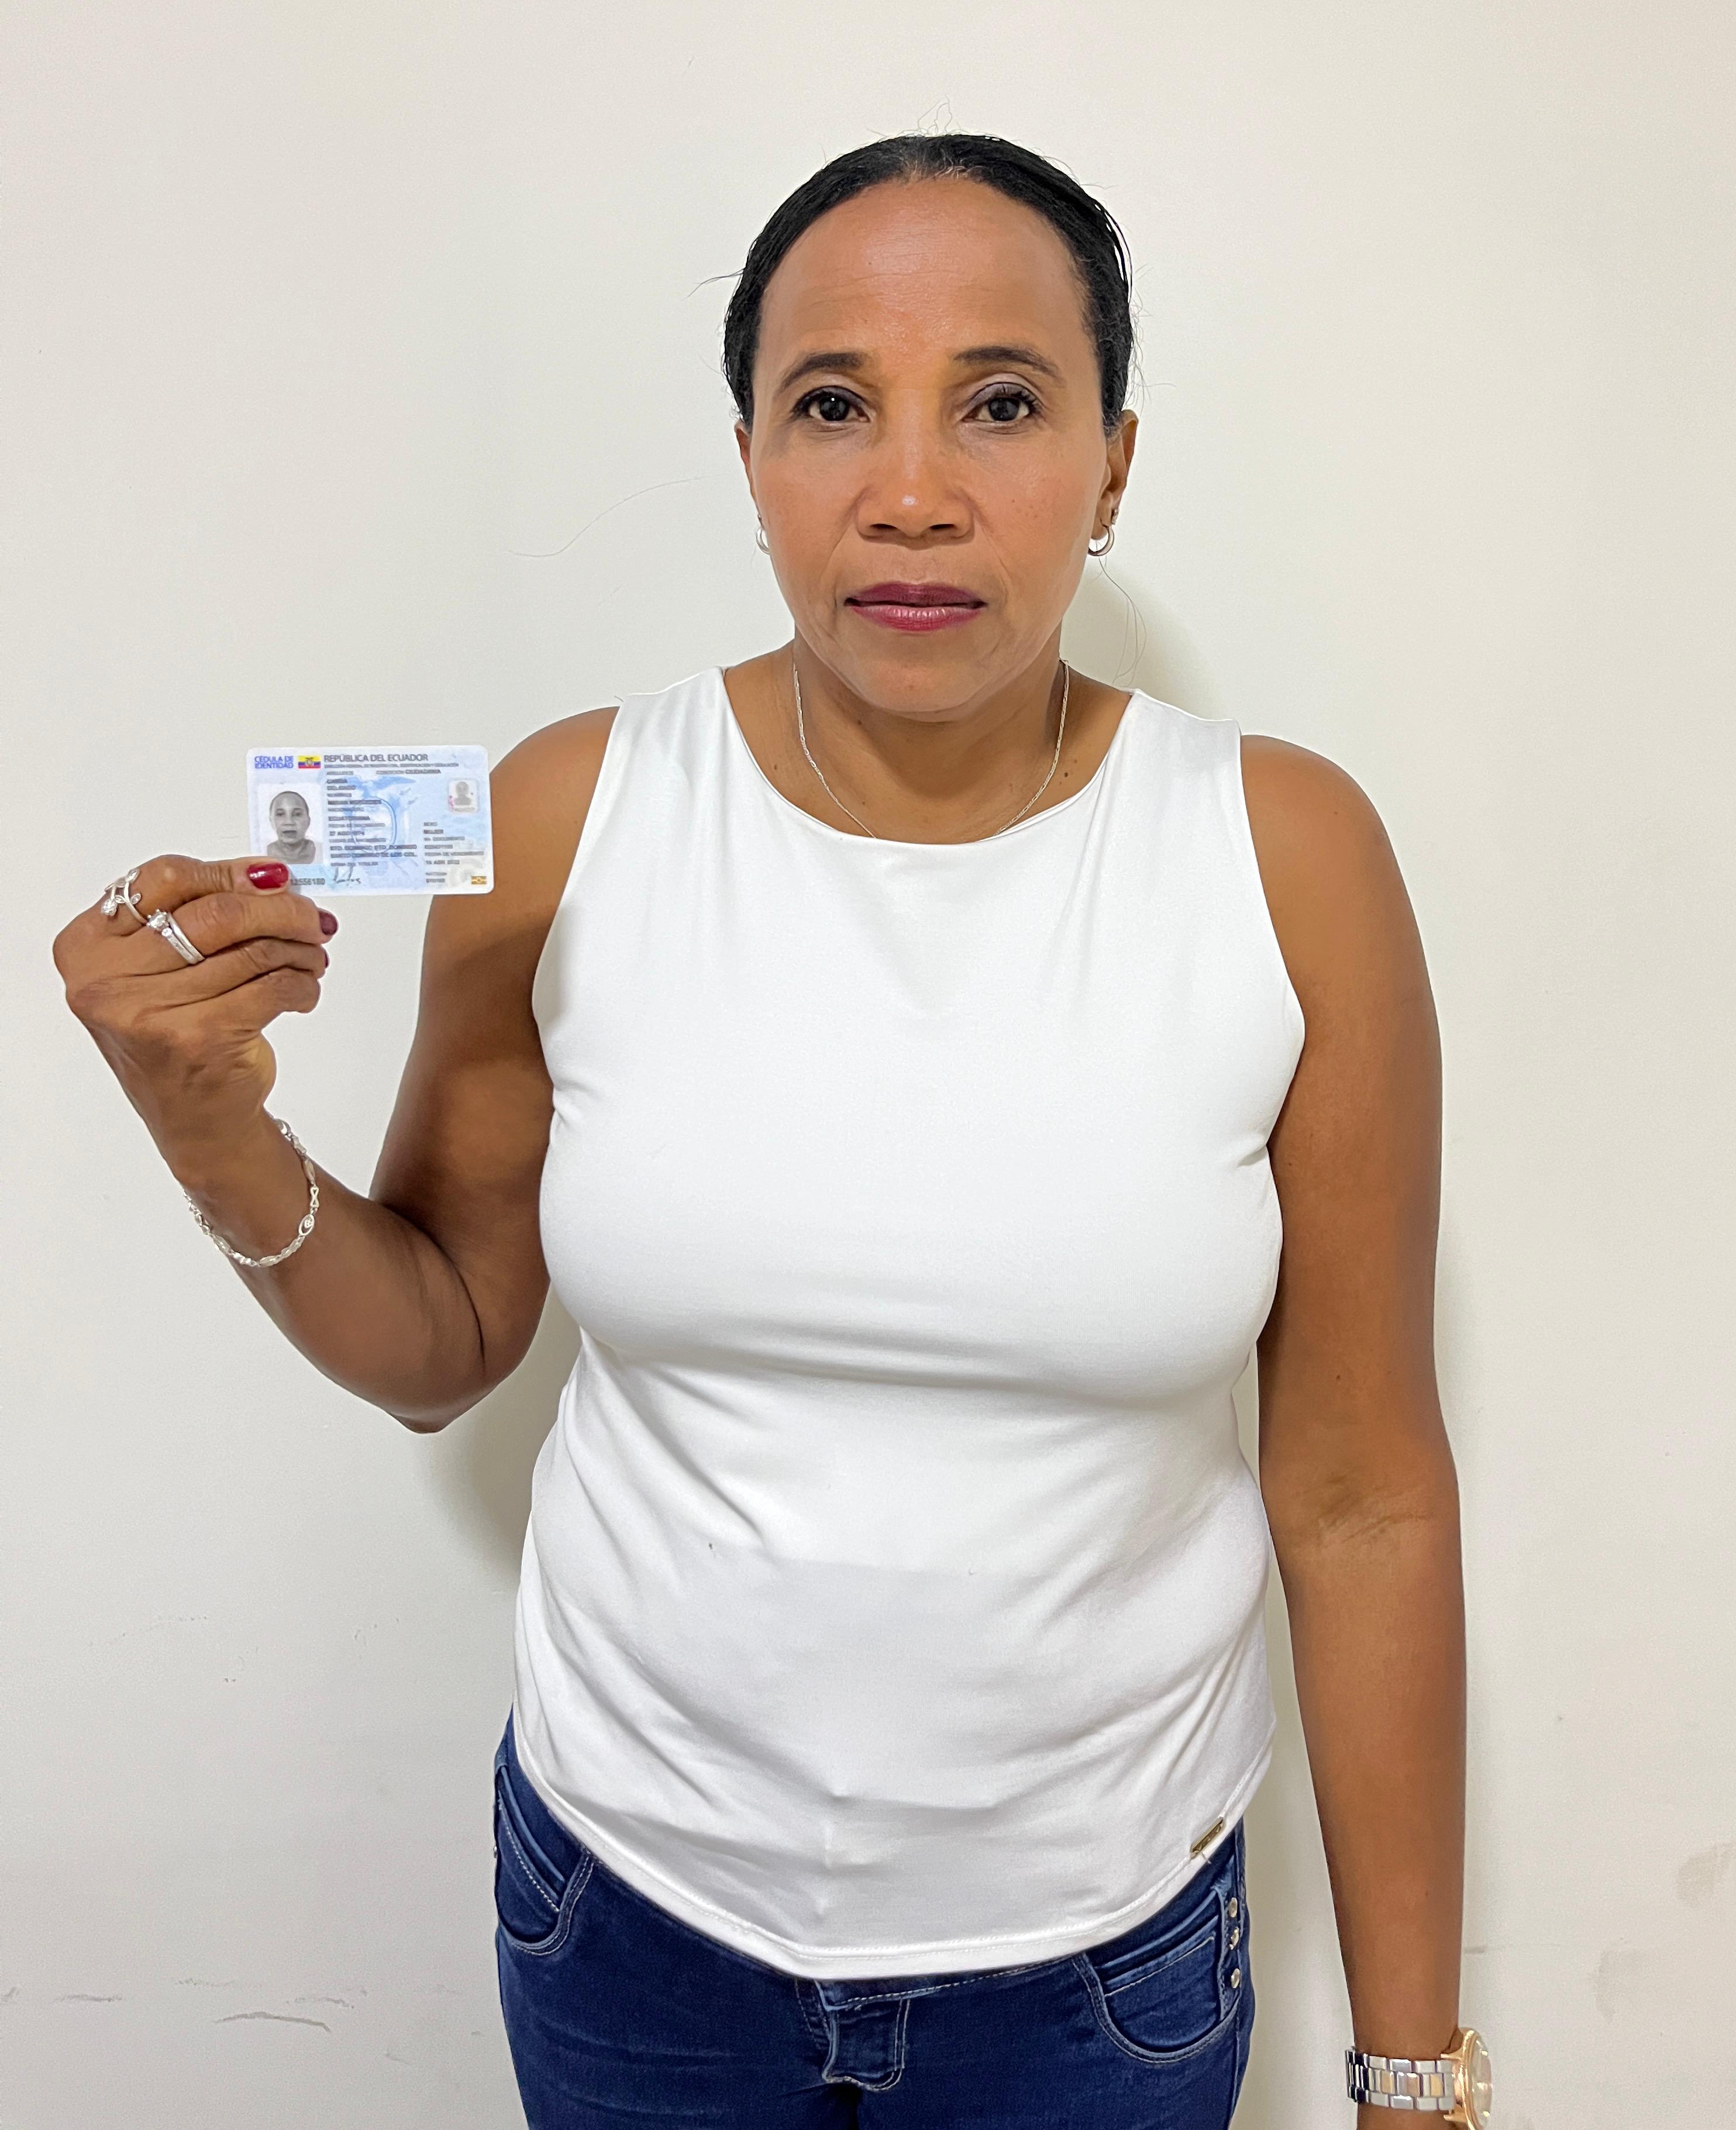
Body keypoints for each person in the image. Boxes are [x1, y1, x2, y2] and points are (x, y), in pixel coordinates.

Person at [54, 133, 1487, 2129]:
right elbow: (442, 1345)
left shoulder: (1284, 852)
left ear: (1113, 464)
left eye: (1003, 402)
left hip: (1099, 1965)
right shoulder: (566, 814)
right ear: (749, 461)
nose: (911, 490)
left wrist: (1414, 2071)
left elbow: (1363, 1500)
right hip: (629, 1922)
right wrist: (208, 1126)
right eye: (831, 405)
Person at [263, 787, 318, 866]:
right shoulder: (260, 854)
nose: (289, 822)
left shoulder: (324, 852)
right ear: (271, 821)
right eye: (280, 814)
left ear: (308, 821)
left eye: (297, 814)